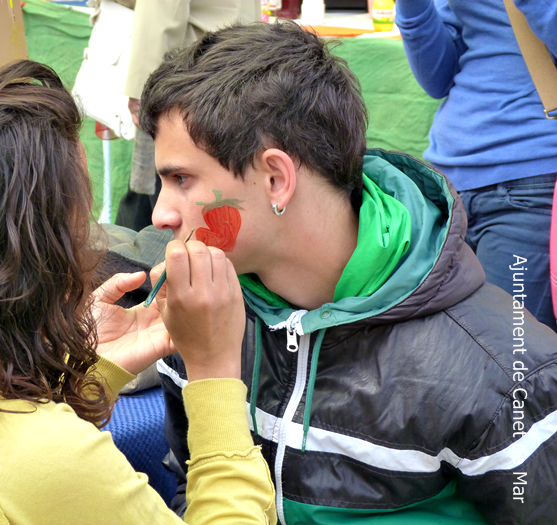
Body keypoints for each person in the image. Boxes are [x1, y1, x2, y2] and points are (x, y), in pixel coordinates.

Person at [133, 21, 557, 524]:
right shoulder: (199, 316)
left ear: (276, 178)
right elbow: (190, 486)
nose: (159, 214)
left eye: (182, 179)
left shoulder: (506, 372)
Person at [0, 60, 275, 524]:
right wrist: (214, 372)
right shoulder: (33, 456)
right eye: (80, 230)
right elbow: (17, 469)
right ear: (37, 262)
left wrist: (87, 375)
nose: (158, 216)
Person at [395, 0, 557, 331]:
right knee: (451, 358)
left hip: (531, 182)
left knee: (515, 358)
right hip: (449, 186)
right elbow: (438, 77)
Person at [114, 0, 260, 231]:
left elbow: (161, 9)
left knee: (166, 186)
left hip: (185, 76)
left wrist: (141, 85)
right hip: (232, 63)